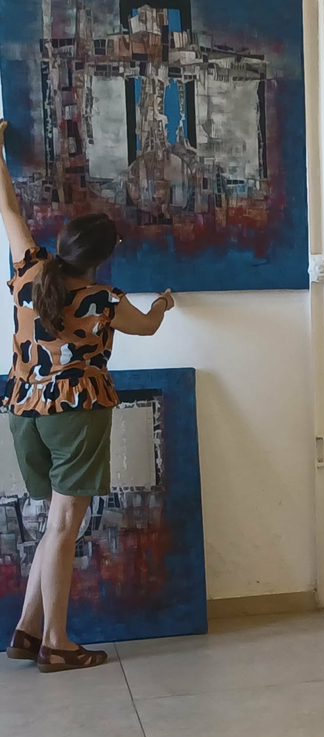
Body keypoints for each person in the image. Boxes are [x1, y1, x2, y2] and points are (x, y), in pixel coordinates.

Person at [0, 119, 175, 673]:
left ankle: (27, 633)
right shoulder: (103, 297)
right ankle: (57, 642)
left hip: (25, 412)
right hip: (77, 413)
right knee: (62, 527)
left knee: (52, 522)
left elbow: (9, 210)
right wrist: (165, 306)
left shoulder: (29, 272)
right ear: (103, 254)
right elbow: (145, 327)